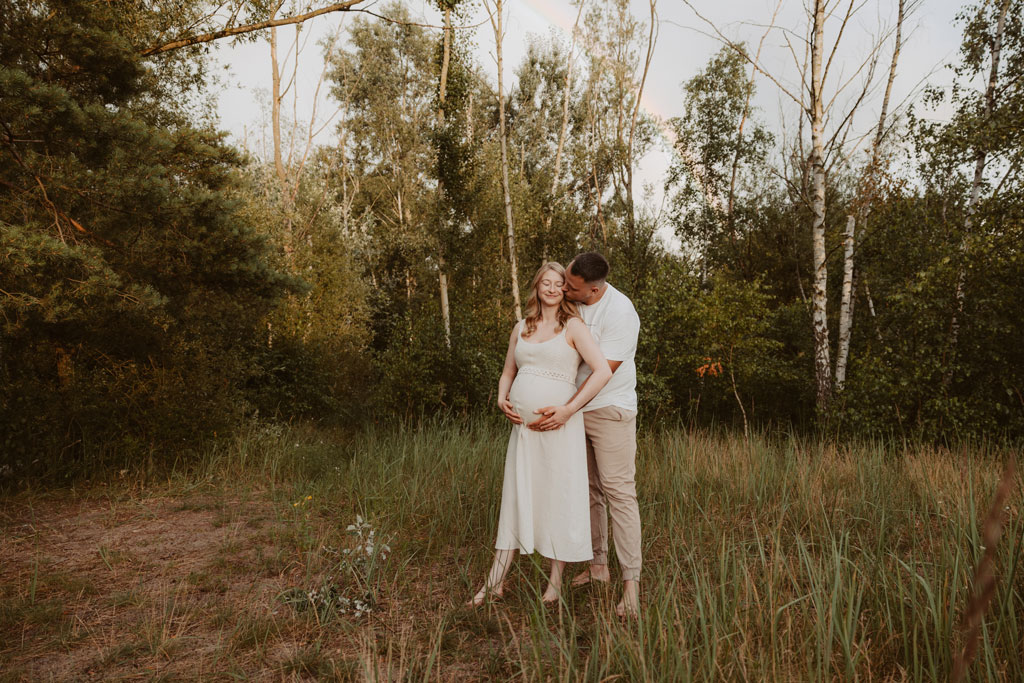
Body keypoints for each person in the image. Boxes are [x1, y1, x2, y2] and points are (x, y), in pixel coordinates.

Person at [469, 262, 612, 606]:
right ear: (536, 287)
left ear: (565, 288)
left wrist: (569, 409)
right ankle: (495, 582)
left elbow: (603, 371)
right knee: (517, 495)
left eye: (557, 283)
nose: (551, 288)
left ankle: (556, 582)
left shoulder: (573, 326)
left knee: (557, 496)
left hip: (558, 427)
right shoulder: (522, 327)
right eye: (545, 282)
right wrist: (503, 397)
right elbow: (508, 370)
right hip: (524, 432)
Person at [529, 252, 642, 617]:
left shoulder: (621, 314)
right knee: (587, 491)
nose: (564, 288)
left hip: (609, 410)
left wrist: (568, 409)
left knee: (619, 492)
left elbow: (601, 374)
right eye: (565, 281)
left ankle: (631, 586)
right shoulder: (572, 304)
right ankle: (597, 568)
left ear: (593, 289)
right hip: (572, 412)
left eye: (571, 286)